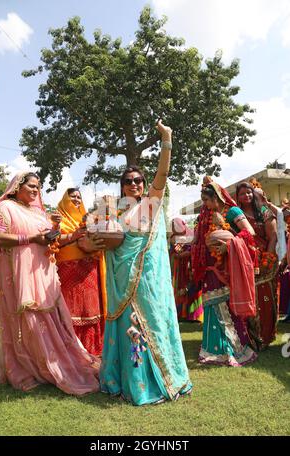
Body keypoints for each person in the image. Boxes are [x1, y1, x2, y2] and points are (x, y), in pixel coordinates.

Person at [99, 120, 192, 405]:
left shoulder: (150, 203)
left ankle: (154, 382)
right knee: (126, 329)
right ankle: (126, 382)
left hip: (147, 281)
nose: (134, 184)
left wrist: (167, 140)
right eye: (128, 181)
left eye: (138, 180)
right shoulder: (113, 211)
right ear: (122, 186)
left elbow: (162, 173)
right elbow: (101, 240)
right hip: (120, 279)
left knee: (148, 325)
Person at [0, 172, 100, 394]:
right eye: (31, 185)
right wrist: (31, 239)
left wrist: (63, 234)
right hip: (19, 274)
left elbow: (53, 239)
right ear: (17, 186)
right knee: (27, 319)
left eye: (38, 187)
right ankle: (27, 366)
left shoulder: (39, 212)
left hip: (44, 272)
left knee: (51, 318)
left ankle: (52, 362)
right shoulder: (4, 208)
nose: (35, 190)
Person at [192, 180, 257, 366]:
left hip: (228, 266)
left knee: (226, 305)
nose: (205, 205)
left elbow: (249, 233)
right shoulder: (205, 216)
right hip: (209, 268)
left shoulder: (232, 212)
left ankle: (235, 347)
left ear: (217, 197)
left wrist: (229, 244)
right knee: (212, 305)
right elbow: (199, 240)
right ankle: (214, 348)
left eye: (207, 200)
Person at [55, 188, 107, 356]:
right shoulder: (57, 219)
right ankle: (70, 352)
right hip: (67, 270)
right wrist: (73, 236)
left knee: (89, 308)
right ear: (65, 200)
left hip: (89, 270)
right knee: (70, 310)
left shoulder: (89, 218)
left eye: (79, 197)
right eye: (72, 197)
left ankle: (91, 348)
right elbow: (51, 242)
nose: (76, 200)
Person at [236, 182, 278, 349]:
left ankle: (265, 336)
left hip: (264, 262)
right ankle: (250, 338)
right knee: (248, 298)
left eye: (249, 193)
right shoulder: (236, 215)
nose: (246, 196)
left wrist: (266, 258)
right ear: (237, 197)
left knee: (265, 298)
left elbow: (273, 237)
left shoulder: (263, 212)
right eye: (242, 194)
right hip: (245, 263)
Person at [169, 218, 203, 322]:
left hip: (190, 266)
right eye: (173, 227)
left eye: (176, 226)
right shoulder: (173, 238)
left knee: (191, 287)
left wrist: (186, 254)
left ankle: (193, 314)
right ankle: (180, 314)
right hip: (178, 267)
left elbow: (194, 249)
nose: (175, 228)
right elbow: (176, 251)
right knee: (180, 287)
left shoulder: (190, 235)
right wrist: (182, 254)